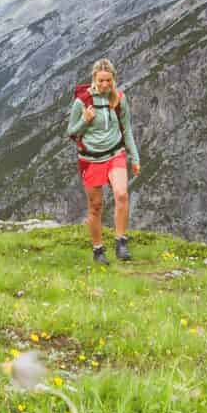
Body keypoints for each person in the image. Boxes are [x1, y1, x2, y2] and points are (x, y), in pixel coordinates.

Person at [69, 58, 140, 264]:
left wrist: (134, 157)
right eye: (100, 81)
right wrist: (85, 120)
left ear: (113, 79)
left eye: (108, 80)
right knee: (96, 206)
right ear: (94, 79)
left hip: (115, 153)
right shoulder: (82, 101)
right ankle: (98, 249)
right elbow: (71, 131)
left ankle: (121, 242)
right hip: (91, 159)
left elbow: (127, 129)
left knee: (121, 194)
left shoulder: (119, 98)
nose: (104, 85)